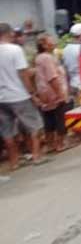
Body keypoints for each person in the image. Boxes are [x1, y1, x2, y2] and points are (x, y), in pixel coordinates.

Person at [0, 23, 46, 170]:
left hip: (1, 98)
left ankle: (14, 162)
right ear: (10, 33)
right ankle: (36, 156)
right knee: (35, 126)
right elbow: (23, 74)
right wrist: (32, 94)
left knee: (7, 131)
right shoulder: (15, 50)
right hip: (19, 95)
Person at [34, 34, 69, 153]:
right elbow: (52, 77)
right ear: (43, 45)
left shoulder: (40, 57)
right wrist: (61, 93)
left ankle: (51, 144)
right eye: (51, 41)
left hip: (45, 93)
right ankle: (59, 144)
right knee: (60, 118)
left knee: (49, 118)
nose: (54, 42)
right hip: (53, 93)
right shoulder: (47, 58)